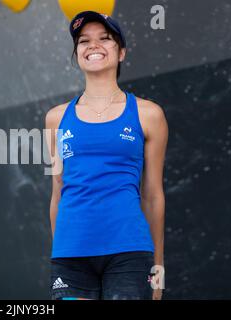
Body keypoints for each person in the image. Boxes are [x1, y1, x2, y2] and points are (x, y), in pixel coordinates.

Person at [44, 11, 168, 300]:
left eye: (105, 38)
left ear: (121, 52)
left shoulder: (149, 114)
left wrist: (157, 270)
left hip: (129, 253)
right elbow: (57, 192)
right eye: (84, 41)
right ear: (77, 54)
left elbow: (153, 196)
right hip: (71, 258)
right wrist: (60, 254)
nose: (93, 45)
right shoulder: (55, 119)